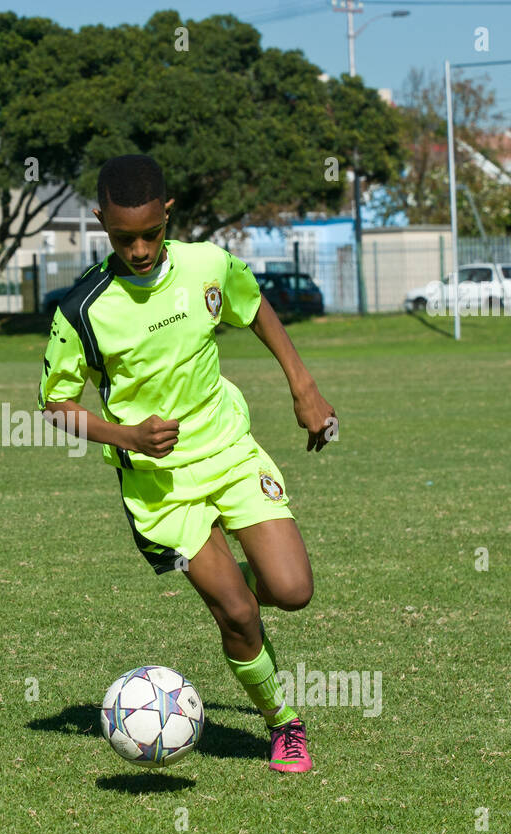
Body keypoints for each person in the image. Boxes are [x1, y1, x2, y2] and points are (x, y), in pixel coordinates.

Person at [38, 155, 335, 773]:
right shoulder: (82, 311)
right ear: (101, 223)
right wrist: (126, 434)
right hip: (159, 486)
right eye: (124, 239)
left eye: (150, 233)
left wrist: (303, 386)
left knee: (292, 590)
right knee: (236, 611)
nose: (140, 249)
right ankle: (284, 722)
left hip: (228, 450)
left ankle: (238, 594)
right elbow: (55, 407)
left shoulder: (206, 263)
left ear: (167, 214)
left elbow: (253, 309)